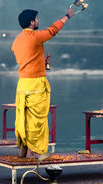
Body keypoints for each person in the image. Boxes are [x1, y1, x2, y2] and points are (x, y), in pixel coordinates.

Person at [11, 8, 74, 158]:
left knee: (23, 118)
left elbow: (27, 60)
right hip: (35, 84)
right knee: (37, 118)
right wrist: (67, 16)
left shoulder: (17, 41)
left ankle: (24, 151)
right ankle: (36, 152)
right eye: (37, 19)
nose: (38, 21)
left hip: (22, 84)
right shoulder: (34, 36)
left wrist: (42, 63)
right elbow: (52, 30)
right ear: (32, 22)